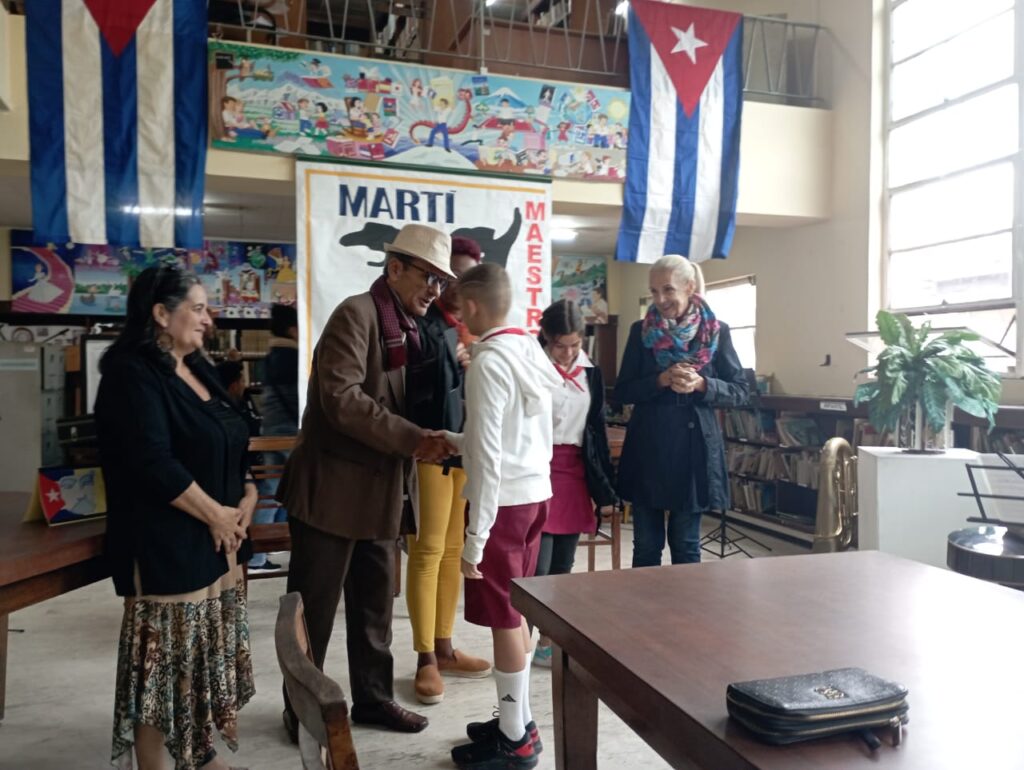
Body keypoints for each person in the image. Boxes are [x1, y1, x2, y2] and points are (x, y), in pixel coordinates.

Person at [276, 224, 457, 738]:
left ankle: (374, 701)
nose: (435, 290)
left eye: (442, 282)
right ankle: (302, 711)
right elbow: (341, 400)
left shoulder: (411, 328)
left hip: (380, 497)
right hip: (332, 496)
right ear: (395, 269)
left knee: (375, 613)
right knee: (313, 616)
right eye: (428, 277)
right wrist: (414, 439)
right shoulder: (356, 314)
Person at [95, 264, 256, 770]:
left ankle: (197, 753)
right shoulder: (130, 374)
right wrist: (216, 515)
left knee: (200, 660)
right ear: (161, 314)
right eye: (199, 308)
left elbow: (230, 436)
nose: (208, 319)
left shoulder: (198, 367)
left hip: (218, 543)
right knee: (162, 669)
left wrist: (248, 493)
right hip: (166, 546)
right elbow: (152, 462)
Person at [446, 262, 562, 770]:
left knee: (503, 619)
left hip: (502, 504)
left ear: (472, 306)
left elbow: (491, 458)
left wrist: (475, 540)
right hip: (535, 495)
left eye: (459, 309)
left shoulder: (488, 362)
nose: (458, 318)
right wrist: (455, 441)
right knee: (514, 613)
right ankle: (520, 721)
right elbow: (522, 435)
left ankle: (515, 740)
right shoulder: (528, 349)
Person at [614, 255, 749, 567]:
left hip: (693, 451)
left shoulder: (717, 331)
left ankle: (687, 602)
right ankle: (643, 601)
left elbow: (741, 391)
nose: (660, 299)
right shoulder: (640, 332)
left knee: (686, 545)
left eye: (668, 290)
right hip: (648, 450)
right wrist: (659, 380)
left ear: (689, 287)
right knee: (646, 546)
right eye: (654, 291)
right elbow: (622, 391)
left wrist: (702, 384)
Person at [404, 237, 491, 706]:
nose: (459, 285)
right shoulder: (421, 324)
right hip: (431, 448)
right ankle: (425, 658)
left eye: (468, 276)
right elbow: (410, 391)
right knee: (427, 550)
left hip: (465, 449)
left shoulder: (478, 330)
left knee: (455, 550)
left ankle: (445, 646)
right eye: (451, 275)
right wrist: (456, 367)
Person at [531, 300, 616, 668]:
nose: (567, 353)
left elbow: (596, 429)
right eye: (559, 345)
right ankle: (521, 644)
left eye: (574, 345)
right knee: (537, 569)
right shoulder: (531, 367)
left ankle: (548, 641)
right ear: (546, 338)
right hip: (538, 469)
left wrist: (605, 489)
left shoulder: (590, 372)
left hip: (575, 473)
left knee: (562, 567)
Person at [247, 304, 300, 570]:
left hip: (270, 432)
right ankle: (303, 547)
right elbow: (297, 400)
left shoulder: (270, 357)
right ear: (292, 329)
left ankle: (256, 556)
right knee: (304, 490)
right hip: (291, 434)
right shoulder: (293, 357)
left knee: (270, 491)